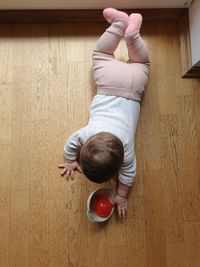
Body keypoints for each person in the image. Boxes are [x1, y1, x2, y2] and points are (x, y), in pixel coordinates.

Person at [59, 8, 150, 218]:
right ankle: (119, 25)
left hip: (135, 87)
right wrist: (71, 159)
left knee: (142, 62)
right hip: (110, 83)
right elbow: (71, 143)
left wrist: (121, 195)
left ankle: (133, 37)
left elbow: (128, 176)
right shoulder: (87, 133)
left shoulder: (126, 151)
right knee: (101, 54)